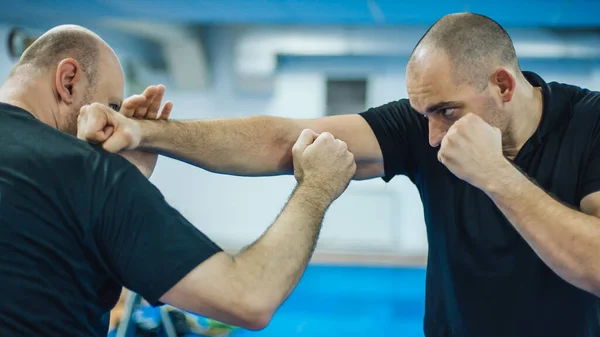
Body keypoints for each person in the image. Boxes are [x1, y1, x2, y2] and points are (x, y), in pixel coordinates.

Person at [79, 12, 600, 337]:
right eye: (425, 116)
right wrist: (148, 134)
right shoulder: (424, 125)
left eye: (446, 112)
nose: (434, 139)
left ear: (503, 86)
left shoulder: (591, 123)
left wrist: (496, 175)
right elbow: (284, 140)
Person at [0, 25, 357, 336]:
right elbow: (249, 298)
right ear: (68, 81)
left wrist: (131, 178)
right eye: (110, 106)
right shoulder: (86, 172)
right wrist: (317, 185)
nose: (111, 121)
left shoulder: (82, 177)